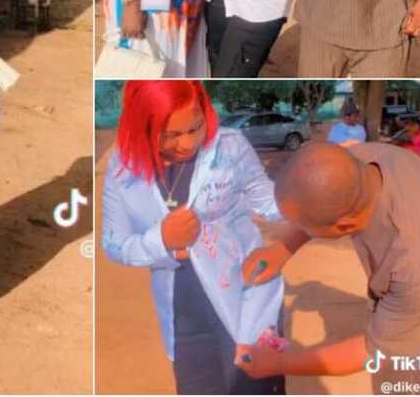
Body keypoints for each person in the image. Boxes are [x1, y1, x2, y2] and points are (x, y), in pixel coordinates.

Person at [101, 81, 286, 394]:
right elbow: (113, 243)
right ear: (142, 127)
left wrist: (311, 190)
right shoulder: (124, 165)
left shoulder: (230, 146)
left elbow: (270, 203)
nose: (187, 143)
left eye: (195, 127)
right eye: (170, 134)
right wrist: (160, 240)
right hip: (184, 319)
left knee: (257, 388)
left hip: (247, 303)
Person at [235, 142, 420, 395]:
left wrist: (279, 363)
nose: (295, 231)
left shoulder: (416, 266)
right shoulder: (359, 161)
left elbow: (375, 351)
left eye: (303, 227)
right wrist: (282, 249)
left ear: (345, 226)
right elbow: (320, 199)